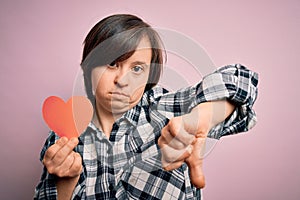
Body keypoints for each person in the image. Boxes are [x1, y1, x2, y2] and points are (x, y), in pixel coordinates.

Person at [34, 14, 258, 200]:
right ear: (90, 67)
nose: (122, 80)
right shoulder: (64, 136)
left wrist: (200, 118)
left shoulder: (162, 109)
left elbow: (239, 81)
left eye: (137, 69)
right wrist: (66, 181)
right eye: (112, 64)